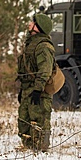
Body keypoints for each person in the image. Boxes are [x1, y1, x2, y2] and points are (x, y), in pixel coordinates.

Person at [16, 13, 55, 151]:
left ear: (38, 27)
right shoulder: (30, 44)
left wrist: (38, 90)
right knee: (24, 121)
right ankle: (28, 147)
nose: (29, 24)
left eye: (32, 22)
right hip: (28, 89)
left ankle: (40, 150)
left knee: (39, 120)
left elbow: (45, 71)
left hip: (39, 91)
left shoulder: (43, 46)